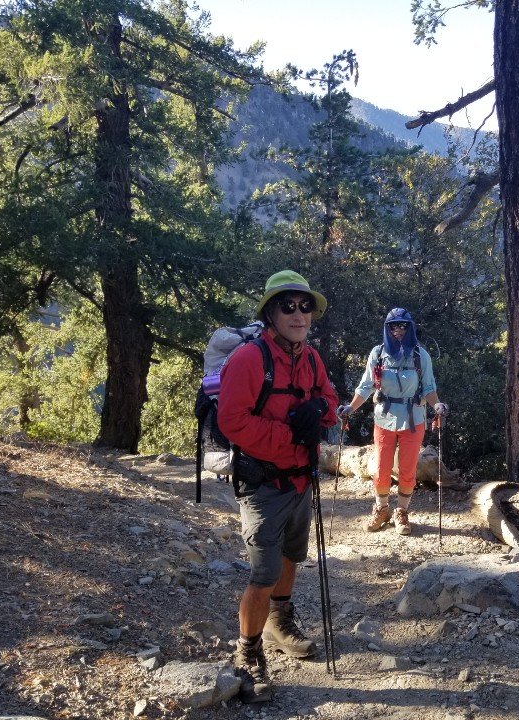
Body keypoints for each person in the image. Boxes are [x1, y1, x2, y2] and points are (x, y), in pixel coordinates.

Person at [216, 270, 338, 703]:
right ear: (271, 313)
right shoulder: (249, 360)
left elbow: (331, 401)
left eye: (305, 306)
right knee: (263, 573)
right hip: (263, 484)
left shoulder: (311, 357)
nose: (299, 314)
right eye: (288, 306)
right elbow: (232, 421)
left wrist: (319, 407)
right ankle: (247, 652)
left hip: (300, 479)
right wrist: (290, 437)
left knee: (291, 555)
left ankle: (279, 623)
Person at [337, 307, 447, 536]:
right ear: (387, 328)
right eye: (393, 326)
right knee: (381, 468)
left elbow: (428, 387)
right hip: (384, 418)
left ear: (410, 328)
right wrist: (350, 408)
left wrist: (436, 405)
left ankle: (402, 512)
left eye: (403, 325)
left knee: (407, 468)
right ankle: (381, 509)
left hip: (413, 419)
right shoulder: (377, 354)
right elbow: (365, 386)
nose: (398, 330)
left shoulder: (420, 355)